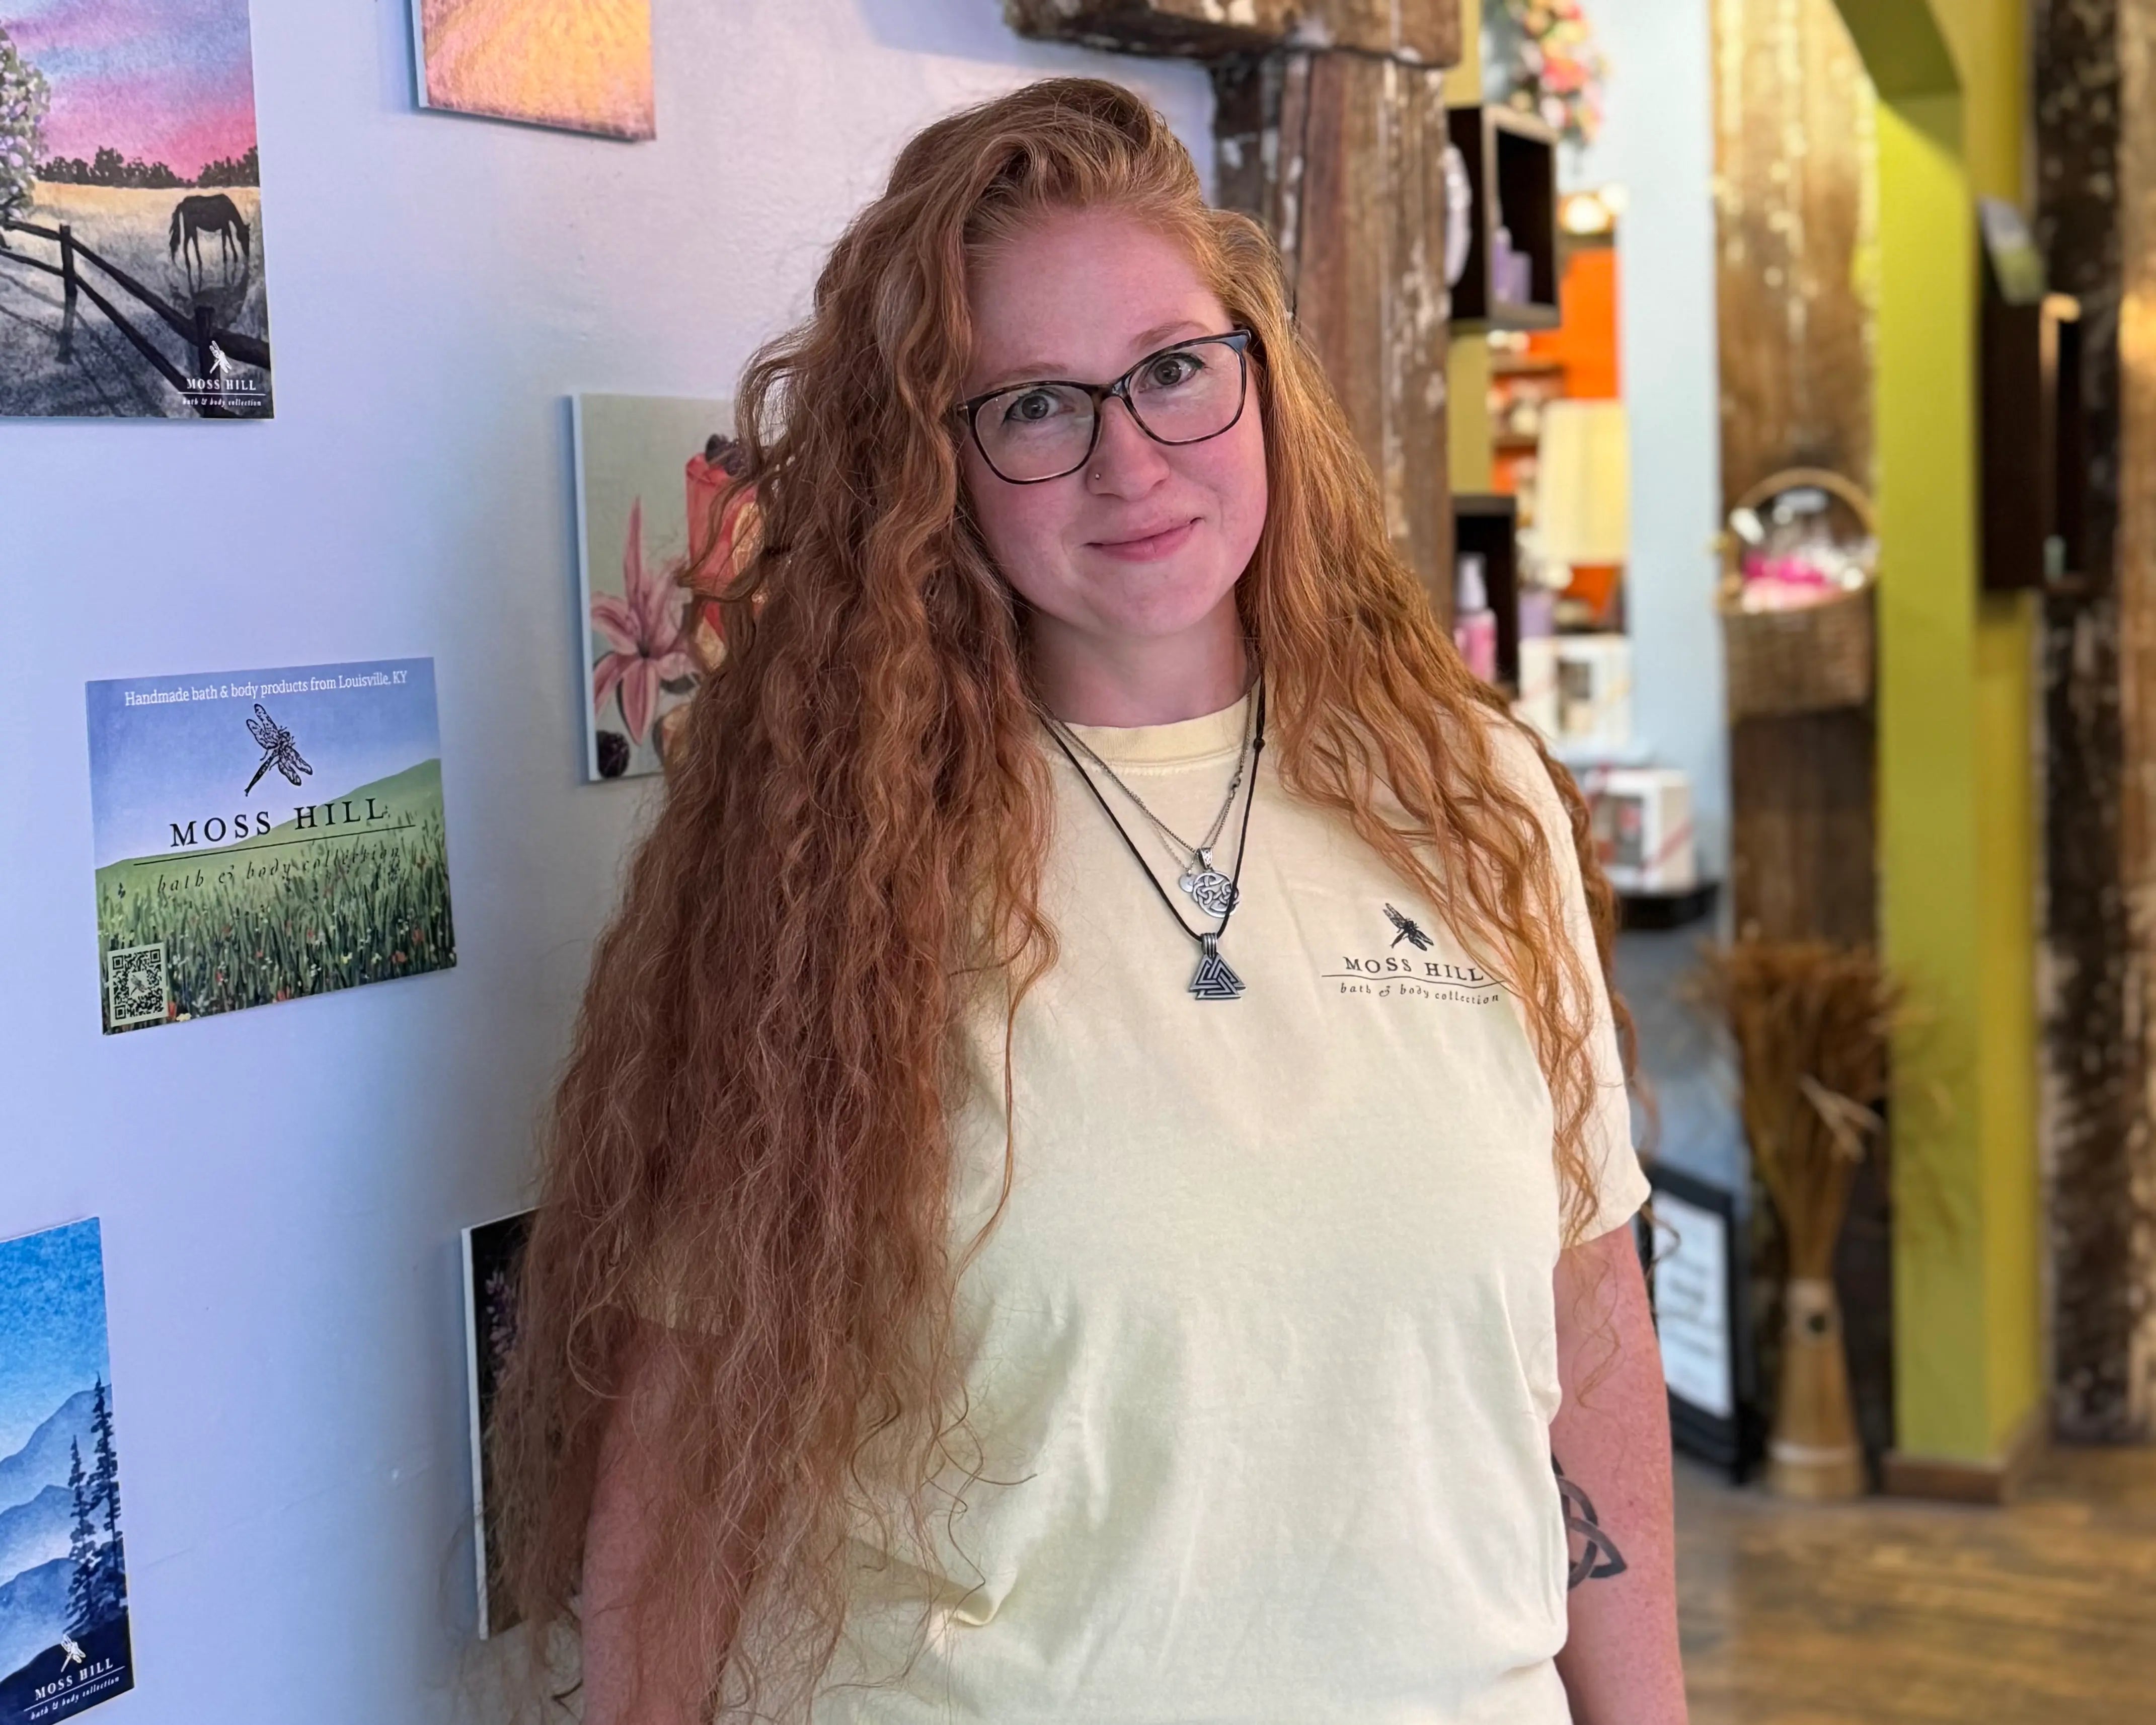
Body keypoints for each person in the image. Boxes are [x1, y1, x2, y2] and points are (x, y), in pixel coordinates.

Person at [492, 77, 1685, 1725]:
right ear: (939, 463)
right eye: (1035, 407)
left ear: (1259, 382)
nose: (1131, 459)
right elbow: (689, 1441)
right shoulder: (835, 861)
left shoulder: (1468, 792)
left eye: (1175, 372)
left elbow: (1585, 1312)